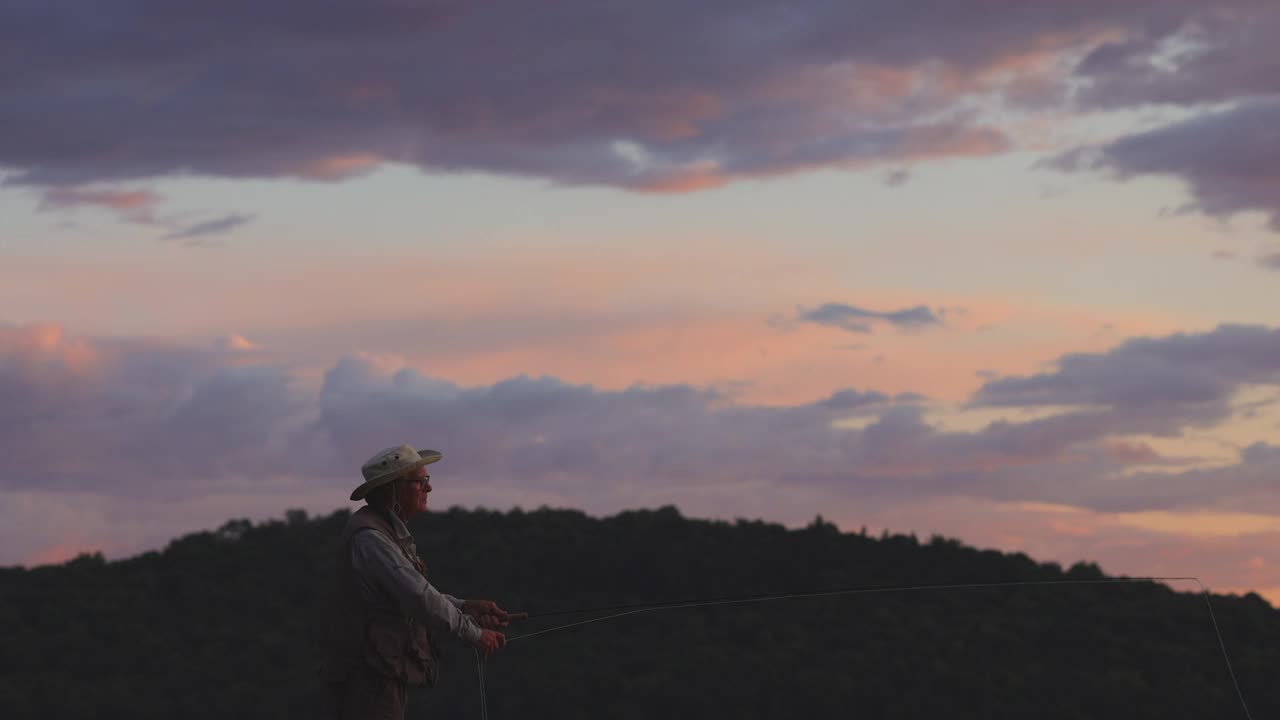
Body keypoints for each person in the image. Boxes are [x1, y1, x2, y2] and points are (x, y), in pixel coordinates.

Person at [320, 443, 512, 720]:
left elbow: (413, 595)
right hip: (368, 679)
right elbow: (418, 597)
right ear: (393, 490)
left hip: (376, 674)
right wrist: (475, 634)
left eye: (427, 481)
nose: (428, 488)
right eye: (421, 481)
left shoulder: (383, 533)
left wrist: (465, 606)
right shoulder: (372, 539)